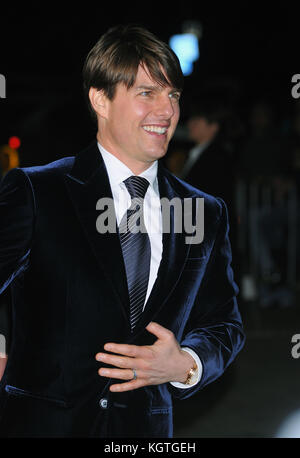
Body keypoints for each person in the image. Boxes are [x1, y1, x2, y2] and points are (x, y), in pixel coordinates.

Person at [0, 24, 245, 438]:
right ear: (101, 100)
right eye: (147, 93)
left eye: (173, 95)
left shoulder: (204, 210)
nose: (166, 111)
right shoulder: (38, 192)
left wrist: (186, 363)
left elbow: (224, 322)